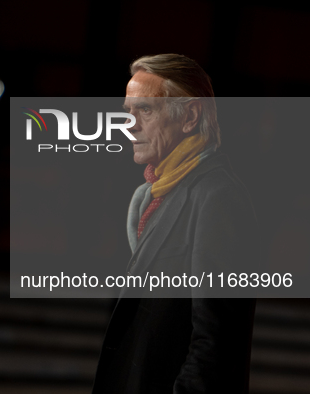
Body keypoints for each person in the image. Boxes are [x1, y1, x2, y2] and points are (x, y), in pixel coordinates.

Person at [91, 54, 257, 393]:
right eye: (128, 112)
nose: (129, 124)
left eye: (146, 110)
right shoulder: (151, 197)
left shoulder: (218, 196)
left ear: (190, 116)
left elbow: (216, 341)